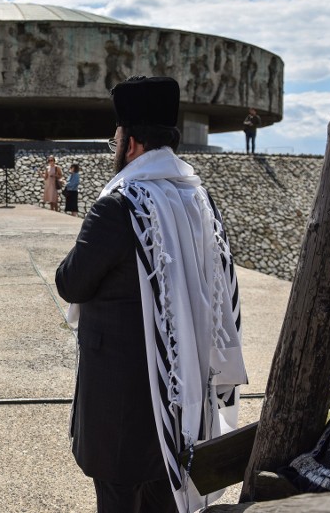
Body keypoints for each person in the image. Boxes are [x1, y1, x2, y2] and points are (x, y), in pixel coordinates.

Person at [55, 77, 247, 513]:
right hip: (182, 390)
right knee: (164, 497)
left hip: (120, 399)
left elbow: (71, 282)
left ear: (133, 143)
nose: (115, 149)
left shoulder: (119, 205)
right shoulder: (198, 197)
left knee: (119, 497)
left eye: (115, 140)